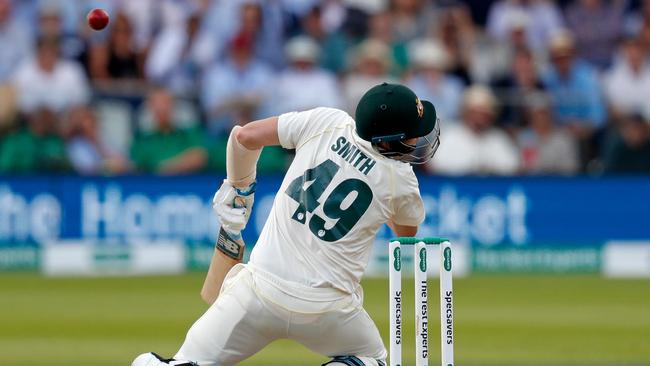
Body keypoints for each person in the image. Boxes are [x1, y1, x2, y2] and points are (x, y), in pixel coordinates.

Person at [131, 82, 441, 366]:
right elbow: (405, 235)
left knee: (177, 363)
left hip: (257, 294)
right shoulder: (401, 181)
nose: (418, 139)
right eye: (413, 133)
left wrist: (240, 189)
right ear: (388, 142)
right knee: (371, 358)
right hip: (328, 310)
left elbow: (243, 137)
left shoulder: (327, 121)